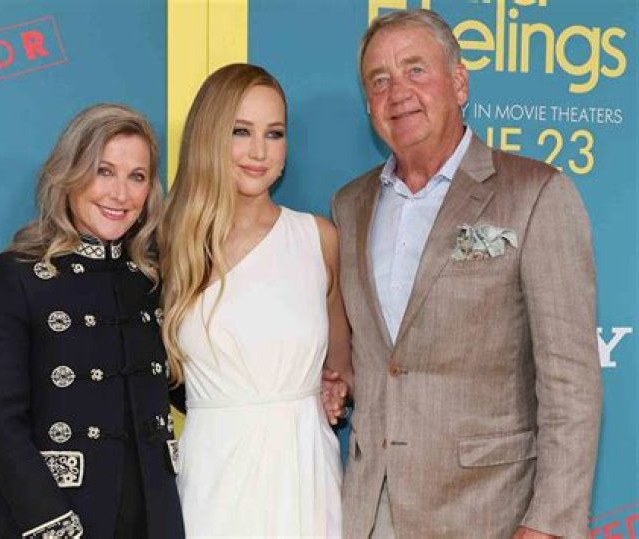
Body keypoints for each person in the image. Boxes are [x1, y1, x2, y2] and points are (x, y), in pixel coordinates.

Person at [332, 9, 602, 539]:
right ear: (368, 104)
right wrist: (333, 383)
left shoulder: (536, 194)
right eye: (379, 80)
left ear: (459, 83)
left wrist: (549, 524)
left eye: (415, 69)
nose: (398, 92)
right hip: (370, 513)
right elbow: (381, 361)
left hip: (489, 514)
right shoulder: (350, 206)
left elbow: (571, 383)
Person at [0, 103, 184, 538]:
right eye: (104, 171)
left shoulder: (153, 278)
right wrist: (54, 525)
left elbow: (189, 389)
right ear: (70, 173)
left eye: (137, 176)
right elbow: (1, 424)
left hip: (152, 515)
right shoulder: (15, 275)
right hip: (57, 515)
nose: (120, 194)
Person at [161, 63, 353, 537]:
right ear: (209, 136)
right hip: (213, 479)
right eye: (241, 131)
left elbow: (343, 371)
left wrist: (335, 390)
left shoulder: (318, 239)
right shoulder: (168, 246)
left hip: (305, 477)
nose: (259, 151)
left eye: (274, 133)